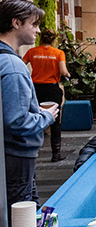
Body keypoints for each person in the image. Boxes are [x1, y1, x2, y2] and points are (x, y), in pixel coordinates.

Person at [0, 0, 56, 211]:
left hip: (8, 154)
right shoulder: (13, 65)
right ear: (16, 23)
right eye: (33, 24)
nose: (37, 30)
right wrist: (47, 117)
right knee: (21, 221)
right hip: (16, 156)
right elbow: (16, 121)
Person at [22, 28, 71, 162]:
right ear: (54, 40)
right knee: (55, 119)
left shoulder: (32, 52)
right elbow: (63, 70)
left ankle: (33, 150)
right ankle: (56, 153)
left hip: (36, 89)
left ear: (41, 38)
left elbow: (22, 64)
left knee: (35, 116)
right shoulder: (58, 53)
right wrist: (67, 74)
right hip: (52, 88)